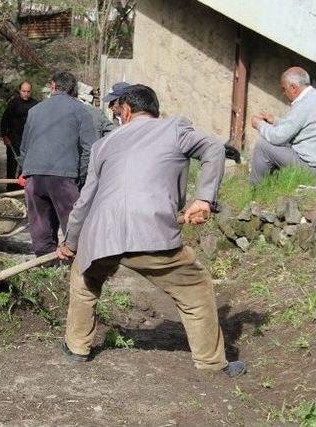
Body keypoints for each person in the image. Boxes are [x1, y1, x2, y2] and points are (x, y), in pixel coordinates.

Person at [56, 84, 246, 378]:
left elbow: (85, 199)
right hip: (150, 230)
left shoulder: (103, 145)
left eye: (118, 110)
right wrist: (204, 198)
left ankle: (76, 348)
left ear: (127, 110)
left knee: (84, 280)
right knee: (195, 289)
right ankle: (211, 364)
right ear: (156, 111)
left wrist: (70, 242)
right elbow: (213, 147)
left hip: (100, 233)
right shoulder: (174, 128)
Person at [18, 71, 97, 256]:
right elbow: (90, 150)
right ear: (74, 89)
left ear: (53, 86)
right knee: (74, 230)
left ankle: (46, 265)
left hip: (34, 178)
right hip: (63, 179)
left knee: (40, 228)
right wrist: (81, 178)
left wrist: (28, 171)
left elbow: (24, 147)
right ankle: (77, 269)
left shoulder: (34, 110)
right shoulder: (80, 111)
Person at [249, 67, 316, 185]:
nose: (283, 93)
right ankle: (274, 186)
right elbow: (299, 126)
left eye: (284, 89)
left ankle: (255, 192)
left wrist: (259, 124)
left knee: (263, 146)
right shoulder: (312, 97)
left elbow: (278, 137)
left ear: (294, 88)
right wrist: (275, 121)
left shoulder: (303, 105)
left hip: (310, 169)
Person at [0, 81, 39, 191]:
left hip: (29, 140)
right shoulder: (14, 103)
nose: (26, 94)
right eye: (23, 91)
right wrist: (4, 136)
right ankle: (10, 186)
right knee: (12, 163)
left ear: (31, 92)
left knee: (26, 164)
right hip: (14, 138)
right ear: (19, 91)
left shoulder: (36, 104)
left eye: (28, 91)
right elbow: (4, 120)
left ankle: (22, 186)